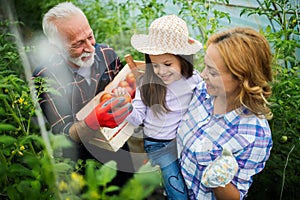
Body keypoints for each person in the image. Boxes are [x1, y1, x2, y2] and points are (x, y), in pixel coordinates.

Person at [32, 2, 134, 187]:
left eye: (90, 36)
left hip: (117, 144)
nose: (90, 47)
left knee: (127, 187)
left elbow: (124, 86)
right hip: (82, 159)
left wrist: (127, 94)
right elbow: (62, 132)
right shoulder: (45, 77)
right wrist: (92, 122)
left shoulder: (106, 54)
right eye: (78, 43)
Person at [177, 27, 273, 200]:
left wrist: (219, 178)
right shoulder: (201, 92)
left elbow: (234, 197)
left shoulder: (253, 135)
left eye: (213, 72)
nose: (204, 75)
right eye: (205, 67)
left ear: (241, 78)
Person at [114, 15, 203, 199]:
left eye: (167, 64)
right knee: (178, 193)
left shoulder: (194, 80)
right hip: (159, 145)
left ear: (183, 59)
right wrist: (126, 107)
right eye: (154, 65)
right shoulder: (146, 82)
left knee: (196, 184)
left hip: (184, 141)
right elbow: (138, 117)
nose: (161, 71)